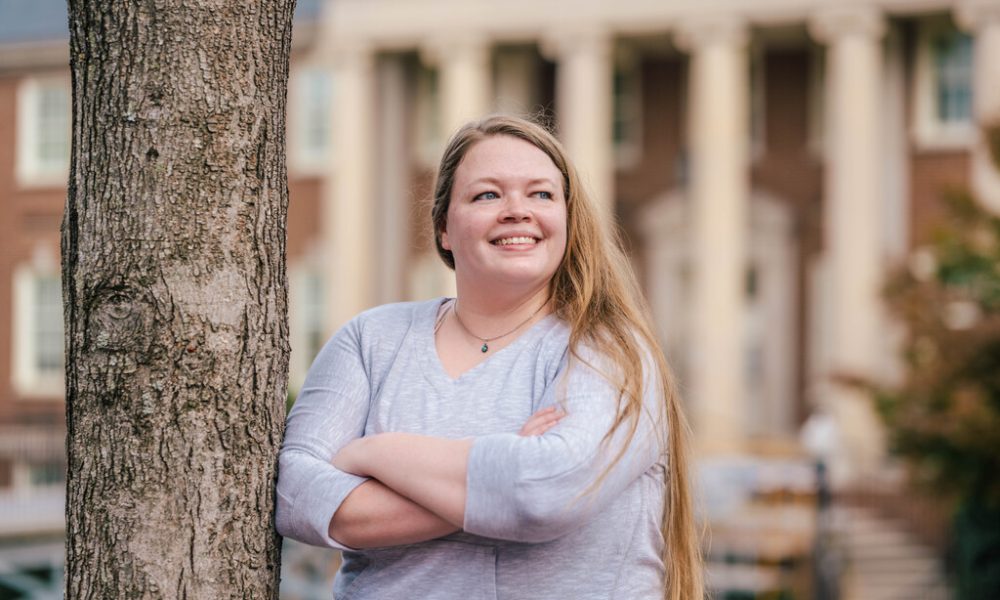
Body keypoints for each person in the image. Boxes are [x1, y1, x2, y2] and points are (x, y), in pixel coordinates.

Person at [275, 115, 703, 600]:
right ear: (444, 231)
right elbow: (296, 496)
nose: (517, 210)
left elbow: (545, 494)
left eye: (541, 194)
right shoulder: (371, 340)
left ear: (567, 220)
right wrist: (503, 464)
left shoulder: (611, 350)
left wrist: (372, 454)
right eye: (487, 195)